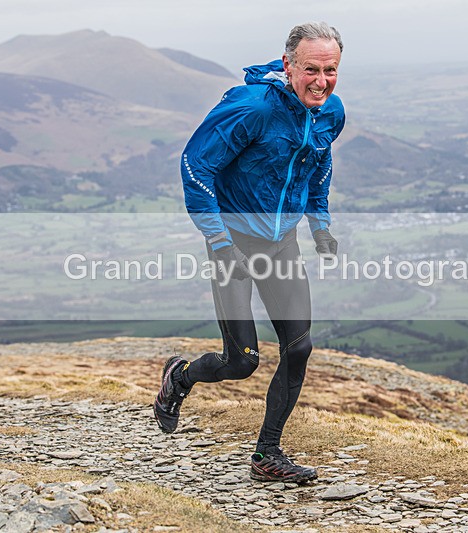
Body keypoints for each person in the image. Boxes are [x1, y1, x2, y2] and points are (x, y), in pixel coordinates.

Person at [153, 21, 345, 483]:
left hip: (281, 242)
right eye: (311, 70)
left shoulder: (329, 112)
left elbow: (319, 163)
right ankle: (179, 378)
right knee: (242, 361)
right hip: (233, 241)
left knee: (299, 348)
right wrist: (219, 242)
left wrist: (319, 223)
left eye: (331, 70)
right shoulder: (252, 108)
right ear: (288, 66)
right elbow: (195, 166)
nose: (321, 81)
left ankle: (266, 455)